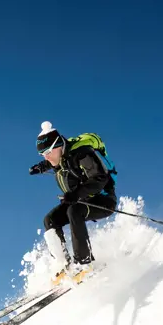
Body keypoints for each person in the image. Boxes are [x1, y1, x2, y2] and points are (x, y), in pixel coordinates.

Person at [29, 121, 118, 285]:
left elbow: (100, 178)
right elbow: (52, 161)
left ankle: (84, 264)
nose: (46, 157)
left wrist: (75, 194)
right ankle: (63, 264)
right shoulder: (59, 156)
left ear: (59, 146)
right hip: (80, 199)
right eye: (42, 154)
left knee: (74, 211)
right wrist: (40, 167)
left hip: (103, 199)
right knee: (50, 220)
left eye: (48, 152)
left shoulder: (83, 154)